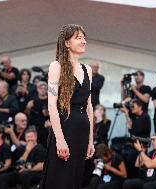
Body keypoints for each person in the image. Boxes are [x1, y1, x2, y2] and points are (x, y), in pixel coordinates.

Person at [39, 24, 95, 189]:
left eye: (84, 38)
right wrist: (60, 139)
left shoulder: (88, 70)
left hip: (82, 131)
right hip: (64, 128)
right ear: (66, 43)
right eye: (78, 38)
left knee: (74, 181)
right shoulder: (56, 66)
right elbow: (51, 104)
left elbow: (89, 107)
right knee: (59, 180)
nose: (84, 41)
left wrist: (91, 140)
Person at [25, 81, 49, 147]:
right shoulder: (33, 100)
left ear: (47, 89)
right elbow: (26, 114)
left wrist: (48, 113)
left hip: (46, 127)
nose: (42, 90)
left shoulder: (51, 100)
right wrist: (28, 108)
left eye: (44, 88)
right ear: (37, 89)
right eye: (40, 88)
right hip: (35, 127)